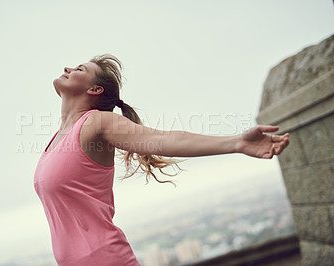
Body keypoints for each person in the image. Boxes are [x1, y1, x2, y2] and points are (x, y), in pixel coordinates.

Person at [33, 54, 290, 266]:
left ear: (94, 89)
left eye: (79, 69)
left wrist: (236, 143)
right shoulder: (56, 139)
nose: (67, 67)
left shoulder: (97, 122)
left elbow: (168, 140)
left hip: (104, 259)